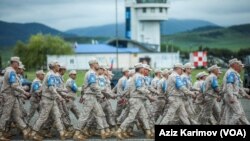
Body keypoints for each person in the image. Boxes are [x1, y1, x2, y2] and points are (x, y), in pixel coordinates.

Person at [30, 60, 70, 140]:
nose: (59, 67)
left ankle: (62, 133)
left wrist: (62, 90)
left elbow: (54, 87)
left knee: (57, 116)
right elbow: (51, 88)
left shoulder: (52, 75)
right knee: (43, 117)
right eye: (58, 65)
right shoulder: (50, 75)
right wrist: (59, 96)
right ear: (54, 66)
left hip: (52, 100)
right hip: (47, 100)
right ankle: (33, 134)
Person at [73, 58, 109, 140]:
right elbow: (93, 86)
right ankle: (77, 134)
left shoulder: (93, 73)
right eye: (97, 63)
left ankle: (103, 132)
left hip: (92, 97)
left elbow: (95, 86)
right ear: (93, 64)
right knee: (84, 116)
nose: (98, 65)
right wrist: (101, 95)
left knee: (99, 113)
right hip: (89, 97)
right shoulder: (91, 74)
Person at [116, 63, 153, 140]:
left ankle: (149, 132)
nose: (144, 69)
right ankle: (119, 130)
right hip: (136, 99)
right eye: (143, 68)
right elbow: (139, 88)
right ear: (140, 69)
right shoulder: (138, 76)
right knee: (131, 117)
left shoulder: (135, 77)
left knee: (144, 116)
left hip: (138, 99)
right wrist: (148, 93)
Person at [0, 57, 30, 140]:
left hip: (12, 96)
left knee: (17, 115)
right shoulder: (11, 71)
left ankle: (25, 130)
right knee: (5, 115)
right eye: (17, 63)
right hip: (8, 96)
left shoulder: (10, 71)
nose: (18, 65)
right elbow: (14, 85)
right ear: (14, 63)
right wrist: (24, 92)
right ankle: (1, 133)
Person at [220, 59, 250, 124]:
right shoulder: (231, 73)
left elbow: (237, 87)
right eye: (238, 64)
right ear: (234, 65)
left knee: (228, 114)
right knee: (238, 113)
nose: (240, 66)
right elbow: (229, 86)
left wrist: (246, 95)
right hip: (231, 96)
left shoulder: (233, 73)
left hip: (231, 95)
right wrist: (231, 96)